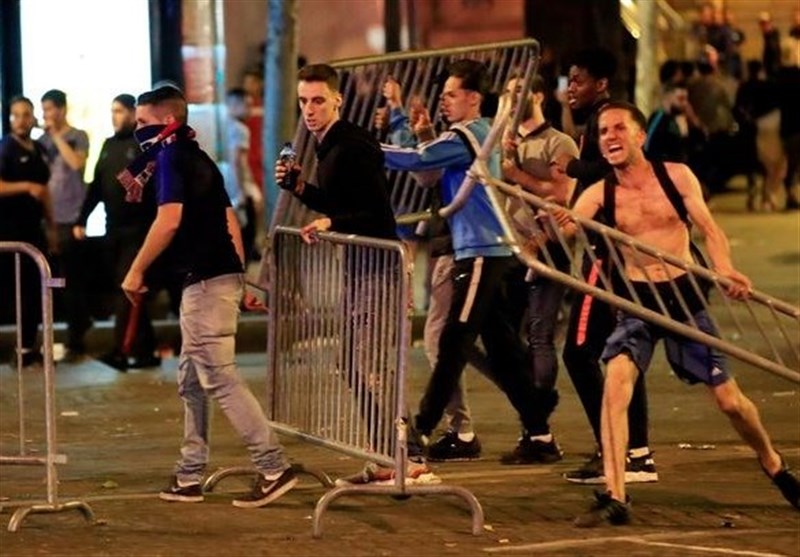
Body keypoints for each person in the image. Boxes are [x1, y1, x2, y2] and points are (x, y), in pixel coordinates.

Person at [557, 101, 800, 527]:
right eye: (602, 132)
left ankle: (773, 463)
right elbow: (570, 226)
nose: (609, 137)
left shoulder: (676, 176)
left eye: (618, 128)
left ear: (640, 135)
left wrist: (724, 269)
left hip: (683, 299)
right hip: (637, 302)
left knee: (730, 402)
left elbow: (710, 228)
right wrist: (558, 222)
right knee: (615, 385)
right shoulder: (599, 193)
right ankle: (616, 493)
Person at [120, 86, 296, 508]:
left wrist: (136, 269)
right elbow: (228, 218)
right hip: (216, 279)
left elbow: (168, 220)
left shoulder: (170, 158)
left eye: (143, 122)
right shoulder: (199, 157)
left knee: (218, 377)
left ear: (167, 121)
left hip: (204, 284)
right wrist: (239, 276)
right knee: (191, 381)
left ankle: (274, 466)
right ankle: (189, 473)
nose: (137, 130)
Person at [380, 59, 548, 466]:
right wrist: (403, 121)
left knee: (452, 342)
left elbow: (417, 159)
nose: (444, 102)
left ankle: (423, 426)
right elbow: (426, 166)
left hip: (481, 253)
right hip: (482, 251)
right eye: (443, 95)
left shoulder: (468, 133)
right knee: (502, 353)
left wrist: (364, 146)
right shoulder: (473, 133)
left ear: (473, 98)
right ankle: (540, 432)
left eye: (451, 95)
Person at [274, 64, 434, 485]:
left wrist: (331, 223)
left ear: (337, 101)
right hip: (360, 266)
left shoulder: (351, 144)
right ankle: (389, 453)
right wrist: (300, 188)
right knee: (353, 362)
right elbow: (340, 203)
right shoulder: (329, 144)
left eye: (318, 101)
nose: (309, 110)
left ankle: (406, 455)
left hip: (378, 268)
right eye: (303, 102)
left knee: (369, 364)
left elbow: (375, 213)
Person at [551, 48, 657, 485]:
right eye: (568, 80)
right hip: (610, 252)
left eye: (578, 80)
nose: (571, 88)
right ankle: (634, 452)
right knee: (622, 352)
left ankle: (619, 449)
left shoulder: (606, 120)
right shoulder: (593, 119)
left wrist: (573, 166)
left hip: (609, 257)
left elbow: (604, 171)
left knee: (580, 353)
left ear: (602, 84)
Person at [499, 74, 579, 463]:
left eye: (520, 92)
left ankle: (539, 428)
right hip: (508, 252)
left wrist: (516, 175)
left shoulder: (558, 143)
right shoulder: (506, 143)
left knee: (540, 337)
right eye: (508, 93)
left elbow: (563, 194)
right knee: (504, 340)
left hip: (546, 250)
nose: (514, 99)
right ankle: (533, 420)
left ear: (539, 95)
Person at [73, 94, 160, 371]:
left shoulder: (144, 145)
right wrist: (82, 218)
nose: (115, 116)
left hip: (139, 231)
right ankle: (145, 349)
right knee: (125, 288)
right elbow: (97, 186)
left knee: (127, 286)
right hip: (113, 230)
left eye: (120, 111)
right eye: (112, 111)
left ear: (133, 114)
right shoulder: (109, 146)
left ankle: (121, 349)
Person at [0, 96, 56, 367]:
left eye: (26, 115)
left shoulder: (39, 148)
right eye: (16, 115)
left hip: (35, 230)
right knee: (16, 289)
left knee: (37, 288)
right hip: (10, 231)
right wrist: (26, 186)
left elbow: (45, 191)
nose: (21, 120)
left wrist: (52, 226)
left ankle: (29, 346)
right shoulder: (5, 148)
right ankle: (19, 349)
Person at [37, 89, 91, 360]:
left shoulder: (77, 136)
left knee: (72, 281)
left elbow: (76, 163)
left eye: (50, 109)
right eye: (44, 109)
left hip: (71, 218)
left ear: (61, 109)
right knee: (52, 281)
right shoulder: (40, 142)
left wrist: (57, 135)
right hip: (49, 219)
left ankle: (77, 336)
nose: (46, 114)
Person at [222, 87, 263, 265]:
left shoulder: (224, 126)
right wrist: (241, 189)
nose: (249, 110)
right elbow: (237, 162)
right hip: (240, 185)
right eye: (246, 105)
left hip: (227, 183)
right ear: (234, 105)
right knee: (248, 227)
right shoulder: (240, 129)